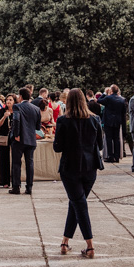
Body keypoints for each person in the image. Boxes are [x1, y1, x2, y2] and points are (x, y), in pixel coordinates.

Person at [53, 88, 103, 258]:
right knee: (76, 203)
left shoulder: (63, 121)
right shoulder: (95, 120)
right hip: (90, 168)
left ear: (68, 102)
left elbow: (57, 147)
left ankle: (90, 246)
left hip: (70, 168)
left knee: (79, 204)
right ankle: (65, 242)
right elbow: (101, 145)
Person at [10, 87, 40, 194]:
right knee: (30, 164)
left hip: (19, 139)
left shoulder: (17, 106)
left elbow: (16, 120)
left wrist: (17, 134)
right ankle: (29, 187)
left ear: (20, 96)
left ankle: (16, 187)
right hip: (31, 139)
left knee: (16, 163)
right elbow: (38, 126)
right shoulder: (36, 109)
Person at [99, 84, 128, 163]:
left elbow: (99, 100)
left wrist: (105, 93)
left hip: (108, 121)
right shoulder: (122, 99)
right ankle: (117, 156)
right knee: (116, 139)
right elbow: (123, 113)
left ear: (111, 91)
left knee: (109, 139)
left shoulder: (108, 98)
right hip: (117, 122)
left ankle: (110, 156)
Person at [0, 93, 15, 186]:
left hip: (14, 136)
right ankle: (4, 181)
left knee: (15, 159)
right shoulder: (2, 110)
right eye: (7, 100)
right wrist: (5, 116)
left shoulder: (17, 110)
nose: (8, 101)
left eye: (10, 100)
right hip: (4, 135)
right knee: (3, 158)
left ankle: (15, 180)